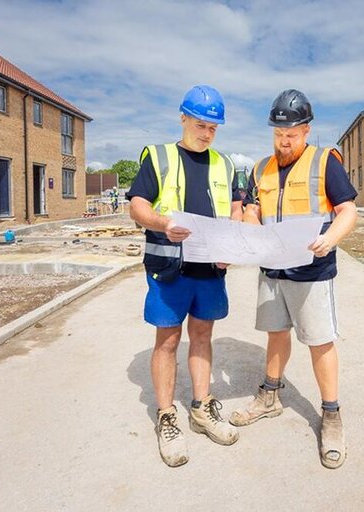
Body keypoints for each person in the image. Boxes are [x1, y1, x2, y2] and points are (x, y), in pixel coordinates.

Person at [231, 89, 358, 469]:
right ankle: (270, 396)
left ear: (305, 130)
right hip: (272, 270)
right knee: (275, 333)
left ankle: (331, 415)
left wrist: (330, 238)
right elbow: (254, 210)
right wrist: (249, 226)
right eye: (277, 134)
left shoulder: (325, 162)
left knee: (319, 342)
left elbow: (348, 211)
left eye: (291, 135)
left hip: (312, 270)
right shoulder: (260, 169)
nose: (283, 141)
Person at [126, 85, 243, 467]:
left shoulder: (224, 164)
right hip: (170, 267)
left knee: (204, 335)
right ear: (182, 118)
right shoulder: (158, 157)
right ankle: (166, 417)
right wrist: (163, 223)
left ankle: (201, 405)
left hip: (209, 268)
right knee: (168, 339)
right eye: (200, 124)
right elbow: (137, 205)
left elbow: (237, 208)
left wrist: (231, 244)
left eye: (213, 127)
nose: (207, 133)